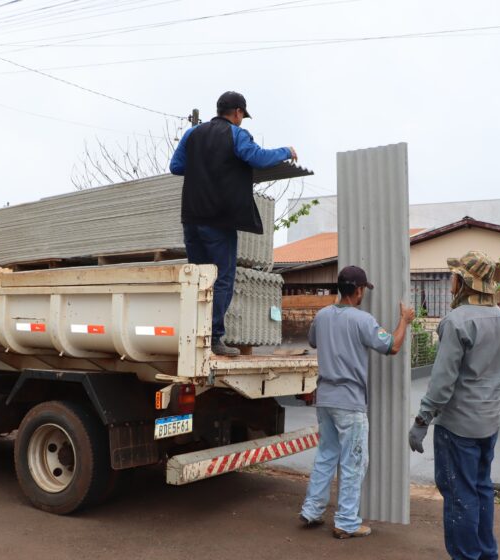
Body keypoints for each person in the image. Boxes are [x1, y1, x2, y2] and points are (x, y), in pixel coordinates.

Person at [409, 251, 500, 560]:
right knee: (482, 488)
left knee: (460, 496)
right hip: (489, 423)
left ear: (464, 283)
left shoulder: (456, 321)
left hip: (457, 427)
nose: (450, 283)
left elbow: (442, 382)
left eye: (453, 277)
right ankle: (486, 554)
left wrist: (421, 421)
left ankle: (466, 556)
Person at [170, 91, 297, 357]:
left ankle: (194, 334)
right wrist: (287, 150)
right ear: (238, 113)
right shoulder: (237, 135)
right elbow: (258, 158)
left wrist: (203, 167)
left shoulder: (193, 134)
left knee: (197, 278)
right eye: (242, 116)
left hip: (191, 217)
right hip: (219, 219)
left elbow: (176, 166)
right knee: (221, 279)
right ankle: (214, 337)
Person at [299, 265, 415, 539]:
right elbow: (393, 346)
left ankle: (312, 510)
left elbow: (313, 341)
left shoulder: (322, 315)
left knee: (326, 456)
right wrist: (404, 321)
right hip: (349, 403)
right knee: (353, 462)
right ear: (359, 290)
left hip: (325, 399)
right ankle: (346, 522)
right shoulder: (362, 320)